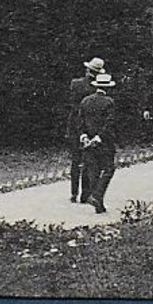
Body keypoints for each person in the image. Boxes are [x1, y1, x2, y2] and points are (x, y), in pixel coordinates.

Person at [78, 71, 119, 213]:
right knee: (108, 169)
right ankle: (97, 196)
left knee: (93, 171)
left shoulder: (85, 101)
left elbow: (80, 121)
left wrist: (84, 136)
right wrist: (98, 137)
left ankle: (98, 204)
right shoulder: (109, 102)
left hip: (88, 142)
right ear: (108, 88)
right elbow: (109, 124)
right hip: (104, 142)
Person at [66, 57, 104, 203]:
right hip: (90, 127)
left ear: (87, 70)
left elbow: (72, 105)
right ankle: (85, 194)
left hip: (75, 126)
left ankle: (74, 192)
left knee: (76, 161)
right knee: (89, 161)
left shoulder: (75, 84)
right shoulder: (97, 89)